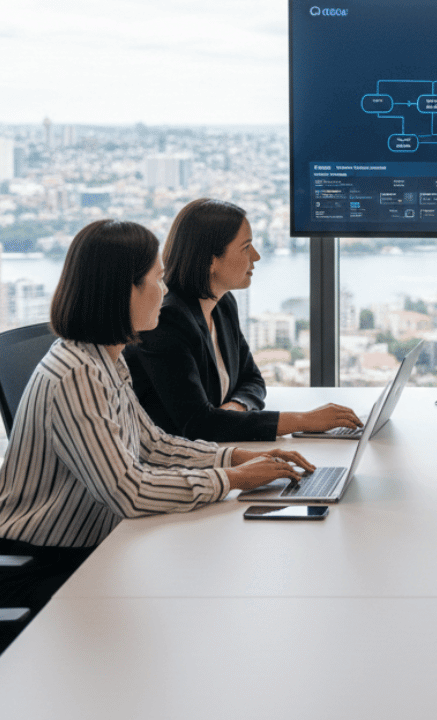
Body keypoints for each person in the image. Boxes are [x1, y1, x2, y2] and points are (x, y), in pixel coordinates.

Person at [0, 220, 315, 630]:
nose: (165, 291)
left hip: (95, 542)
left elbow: (154, 446)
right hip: (42, 561)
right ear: (122, 290)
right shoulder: (75, 375)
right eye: (157, 279)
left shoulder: (104, 358)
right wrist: (233, 478)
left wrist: (240, 457)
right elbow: (128, 492)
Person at [125, 199, 362, 442]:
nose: (256, 256)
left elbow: (253, 380)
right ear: (211, 260)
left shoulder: (223, 305)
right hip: (175, 465)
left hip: (215, 453)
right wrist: (303, 421)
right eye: (246, 247)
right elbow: (198, 425)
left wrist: (235, 409)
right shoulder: (166, 321)